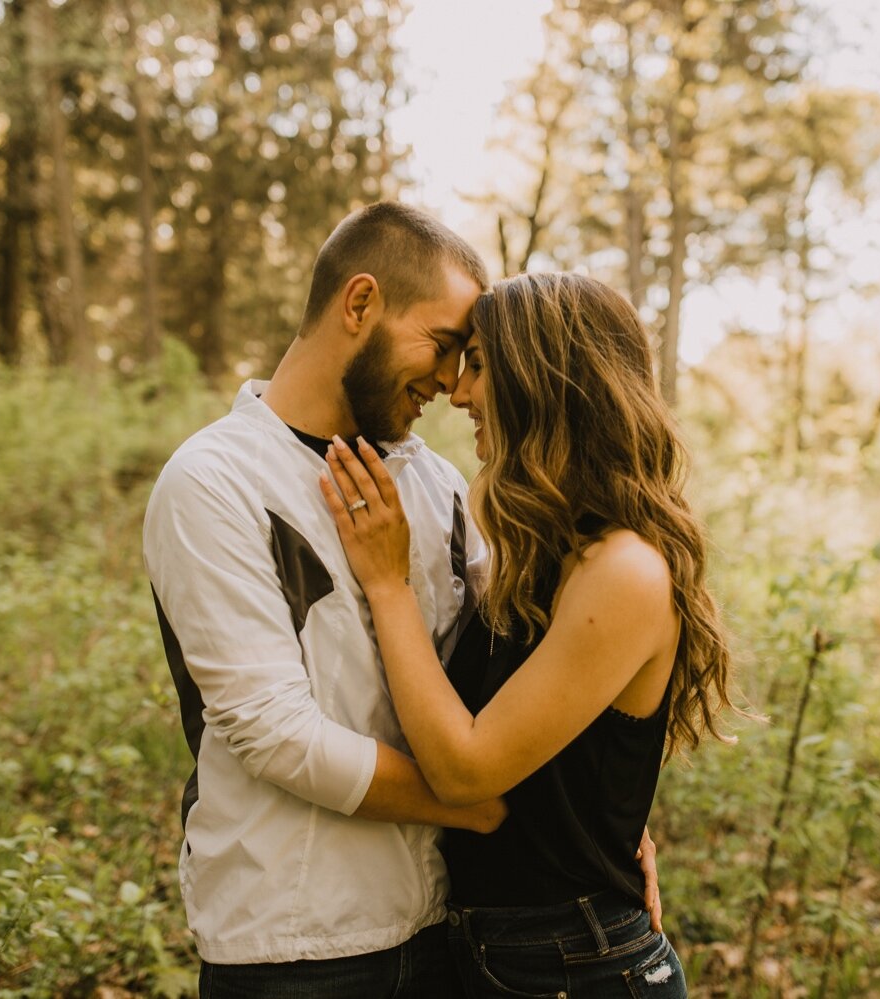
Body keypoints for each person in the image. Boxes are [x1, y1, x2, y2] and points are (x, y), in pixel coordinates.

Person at [320, 271, 745, 997]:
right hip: (510, 954)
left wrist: (386, 584)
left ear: (544, 379)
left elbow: (466, 770)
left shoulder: (626, 570)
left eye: (479, 364)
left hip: (577, 964)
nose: (458, 392)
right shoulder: (542, 547)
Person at [143, 202, 502, 997]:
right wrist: (477, 805)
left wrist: (597, 826)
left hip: (448, 930)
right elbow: (274, 734)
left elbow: (513, 671)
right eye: (442, 346)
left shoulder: (438, 485)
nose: (451, 382)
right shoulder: (212, 481)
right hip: (295, 951)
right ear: (360, 303)